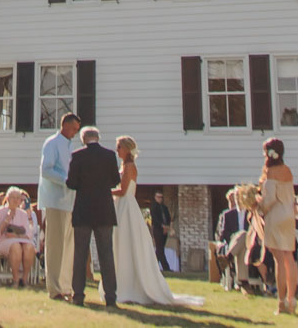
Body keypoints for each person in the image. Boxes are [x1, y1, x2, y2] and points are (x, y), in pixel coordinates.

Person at [109, 136, 204, 306]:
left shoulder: (130, 166)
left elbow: (123, 191)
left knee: (127, 241)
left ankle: (132, 286)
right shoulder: (124, 165)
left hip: (126, 205)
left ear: (126, 149)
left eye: (119, 148)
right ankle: (123, 282)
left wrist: (105, 192)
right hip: (121, 205)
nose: (117, 151)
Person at [64, 125, 119, 307]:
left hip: (83, 209)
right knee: (106, 254)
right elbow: (114, 181)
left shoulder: (77, 156)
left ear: (83, 139)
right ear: (98, 137)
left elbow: (71, 183)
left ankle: (78, 295)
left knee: (80, 254)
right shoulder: (110, 155)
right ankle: (111, 297)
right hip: (104, 210)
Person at [251, 138, 298, 315]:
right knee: (289, 258)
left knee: (280, 260)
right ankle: (292, 299)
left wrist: (257, 204)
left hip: (276, 216)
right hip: (289, 216)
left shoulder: (271, 171)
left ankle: (281, 301)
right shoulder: (287, 170)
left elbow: (270, 199)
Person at [38, 112, 81, 301]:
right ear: (65, 125)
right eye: (73, 129)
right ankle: (54, 288)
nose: (75, 133)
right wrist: (67, 181)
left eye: (77, 130)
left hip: (70, 202)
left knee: (68, 246)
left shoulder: (73, 146)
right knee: (55, 246)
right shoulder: (51, 143)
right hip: (55, 200)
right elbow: (46, 169)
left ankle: (66, 287)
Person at [0, 187, 41, 286]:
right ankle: (15, 280)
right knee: (16, 246)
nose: (15, 200)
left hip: (20, 239)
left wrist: (17, 235)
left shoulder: (23, 214)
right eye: (13, 197)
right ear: (7, 198)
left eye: (18, 198)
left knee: (29, 247)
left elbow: (29, 234)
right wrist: (7, 219)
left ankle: (24, 279)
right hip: (3, 241)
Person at [214, 187, 250, 290]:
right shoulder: (228, 214)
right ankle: (243, 281)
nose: (237, 200)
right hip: (233, 241)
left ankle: (228, 258)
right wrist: (235, 238)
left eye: (239, 197)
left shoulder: (250, 213)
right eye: (236, 197)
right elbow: (225, 233)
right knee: (241, 239)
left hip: (248, 242)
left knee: (243, 236)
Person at [148, 190, 172, 273]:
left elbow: (168, 218)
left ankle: (152, 267)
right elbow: (155, 218)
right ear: (155, 197)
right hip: (158, 229)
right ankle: (166, 267)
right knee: (160, 248)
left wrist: (167, 226)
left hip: (165, 229)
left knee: (159, 249)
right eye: (158, 197)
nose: (160, 199)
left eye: (161, 197)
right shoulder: (153, 207)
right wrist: (162, 226)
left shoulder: (164, 207)